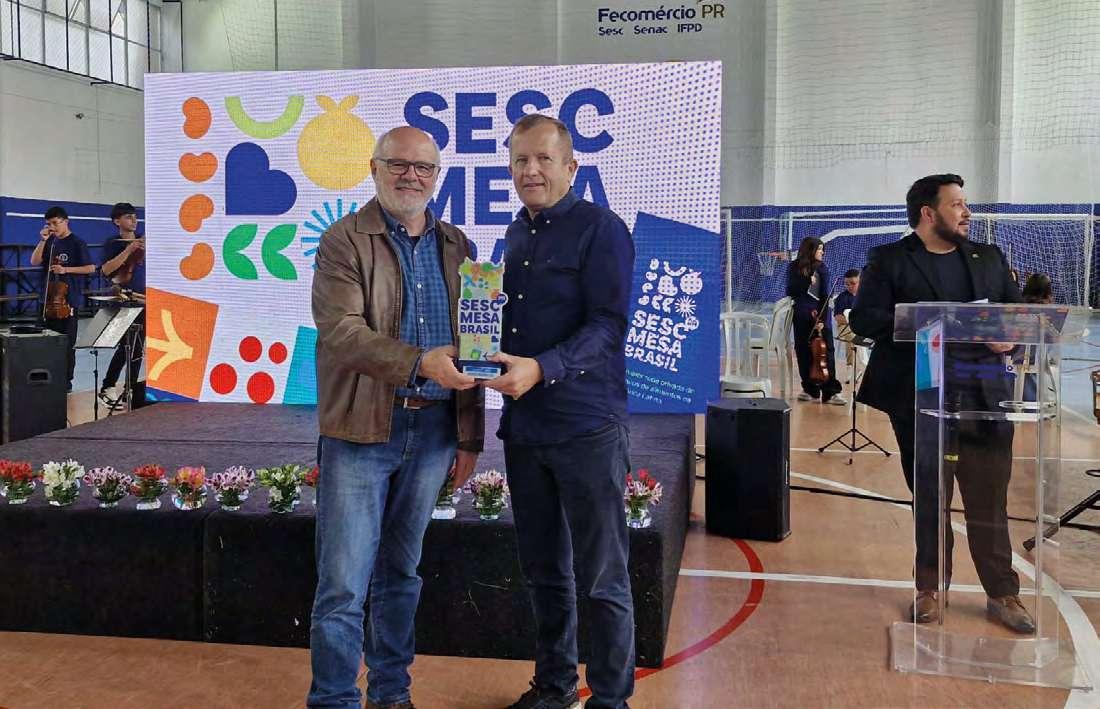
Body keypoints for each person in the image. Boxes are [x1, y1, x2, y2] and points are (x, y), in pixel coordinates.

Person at [308, 126, 484, 709]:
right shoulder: (343, 240)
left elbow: (475, 343)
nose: (411, 176)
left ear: (437, 177)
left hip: (434, 433)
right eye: (398, 164)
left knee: (401, 575)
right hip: (360, 430)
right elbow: (341, 333)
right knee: (343, 585)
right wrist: (418, 363)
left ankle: (391, 694)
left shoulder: (458, 245)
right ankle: (334, 699)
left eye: (423, 167)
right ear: (374, 168)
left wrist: (469, 438)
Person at [485, 113, 635, 709]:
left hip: (586, 426)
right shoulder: (515, 234)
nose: (531, 170)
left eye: (544, 159)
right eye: (520, 160)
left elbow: (609, 325)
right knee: (543, 570)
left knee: (602, 576)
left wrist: (542, 367)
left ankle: (611, 700)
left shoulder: (601, 229)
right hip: (526, 428)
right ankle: (554, 687)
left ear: (571, 167)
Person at [850, 173, 1033, 634]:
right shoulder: (890, 260)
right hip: (921, 392)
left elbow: (1017, 317)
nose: (966, 213)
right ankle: (929, 588)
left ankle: (1003, 592)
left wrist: (1010, 340)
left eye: (965, 204)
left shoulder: (990, 258)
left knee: (989, 498)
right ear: (928, 213)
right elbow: (865, 318)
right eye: (956, 205)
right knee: (930, 497)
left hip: (984, 392)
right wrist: (929, 324)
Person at [30, 206, 95, 391]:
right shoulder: (49, 242)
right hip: (47, 300)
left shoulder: (77, 243)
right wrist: (42, 241)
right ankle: (44, 377)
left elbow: (90, 268)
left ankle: (66, 382)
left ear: (66, 221)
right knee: (43, 342)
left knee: (66, 344)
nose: (52, 227)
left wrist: (66, 269)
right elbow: (34, 261)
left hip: (67, 301)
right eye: (49, 224)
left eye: (55, 223)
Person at [786, 237, 846, 405]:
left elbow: (825, 296)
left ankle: (830, 392)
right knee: (803, 350)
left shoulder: (822, 269)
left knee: (826, 352)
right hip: (801, 314)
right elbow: (790, 290)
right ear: (810, 250)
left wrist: (822, 319)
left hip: (820, 314)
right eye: (819, 249)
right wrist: (806, 281)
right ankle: (809, 389)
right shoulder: (794, 267)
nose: (822, 252)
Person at [99, 202, 146, 409]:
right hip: (124, 299)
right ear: (117, 221)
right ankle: (108, 386)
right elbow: (106, 270)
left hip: (144, 298)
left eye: (135, 216)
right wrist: (129, 249)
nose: (134, 220)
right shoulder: (112, 243)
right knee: (125, 346)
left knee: (138, 348)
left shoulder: (143, 239)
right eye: (128, 217)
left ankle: (130, 389)